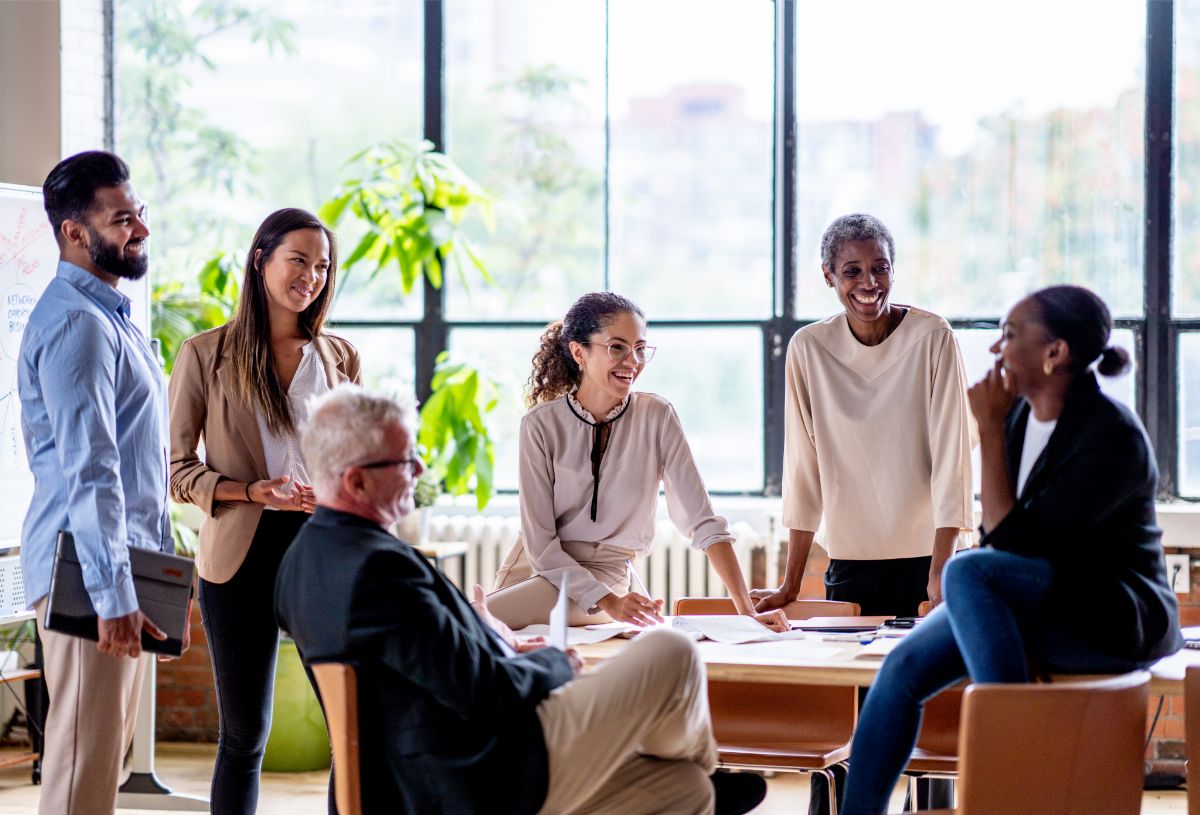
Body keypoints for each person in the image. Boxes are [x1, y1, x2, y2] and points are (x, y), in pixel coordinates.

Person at [274, 384, 768, 814]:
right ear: (356, 481)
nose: (421, 468)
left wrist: (500, 644)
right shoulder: (381, 570)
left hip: (434, 773)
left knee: (682, 792)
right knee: (671, 651)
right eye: (406, 461)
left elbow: (423, 666)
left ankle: (694, 774)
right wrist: (554, 662)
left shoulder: (303, 561)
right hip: (481, 774)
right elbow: (483, 692)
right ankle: (699, 761)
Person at [840, 286, 1184, 815]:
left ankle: (1019, 783)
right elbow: (1005, 544)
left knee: (967, 571)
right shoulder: (1021, 417)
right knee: (901, 670)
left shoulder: (1113, 436)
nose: (997, 349)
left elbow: (1015, 544)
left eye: (1011, 334)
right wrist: (998, 430)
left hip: (1110, 613)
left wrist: (989, 430)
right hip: (1036, 601)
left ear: (1055, 353)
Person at [169, 208, 360, 814]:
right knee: (245, 735)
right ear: (261, 259)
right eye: (298, 260)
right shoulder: (204, 354)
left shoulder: (340, 357)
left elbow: (356, 457)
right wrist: (253, 492)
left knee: (348, 732)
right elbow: (175, 473)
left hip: (321, 552)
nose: (312, 276)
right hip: (239, 560)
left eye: (323, 265)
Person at [486, 291, 788, 633]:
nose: (633, 361)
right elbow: (540, 546)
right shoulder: (539, 424)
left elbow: (703, 523)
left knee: (457, 625)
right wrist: (610, 602)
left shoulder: (657, 416)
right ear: (578, 351)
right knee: (463, 634)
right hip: (532, 572)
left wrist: (746, 612)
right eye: (617, 347)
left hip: (605, 579)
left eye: (640, 348)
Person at [19, 150, 173, 815]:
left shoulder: (112, 318)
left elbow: (140, 466)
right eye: (122, 219)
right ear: (75, 234)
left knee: (97, 766)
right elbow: (92, 468)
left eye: (138, 212)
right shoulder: (78, 325)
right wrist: (113, 594)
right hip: (84, 571)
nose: (139, 228)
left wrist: (152, 582)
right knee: (81, 772)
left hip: (113, 568)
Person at [755, 213, 975, 619]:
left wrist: (941, 567)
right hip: (851, 562)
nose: (869, 283)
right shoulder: (808, 348)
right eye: (852, 271)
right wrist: (790, 584)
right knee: (853, 680)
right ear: (829, 276)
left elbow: (953, 459)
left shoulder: (934, 337)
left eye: (880, 268)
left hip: (931, 558)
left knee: (928, 680)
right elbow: (804, 470)